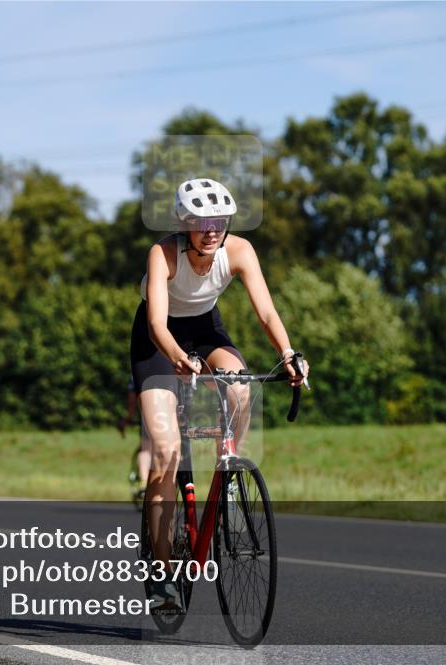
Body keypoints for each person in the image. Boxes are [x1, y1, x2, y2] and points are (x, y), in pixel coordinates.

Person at [130, 178, 308, 609]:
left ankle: (228, 477)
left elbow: (265, 309)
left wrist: (287, 353)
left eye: (220, 222)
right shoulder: (164, 254)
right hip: (158, 341)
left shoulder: (240, 252)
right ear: (184, 223)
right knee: (167, 453)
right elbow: (156, 324)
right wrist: (175, 357)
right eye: (202, 222)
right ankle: (161, 570)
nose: (212, 230)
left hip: (207, 330)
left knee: (241, 387)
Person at [119, 375, 151, 503]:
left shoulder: (136, 373)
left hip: (149, 414)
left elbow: (132, 398)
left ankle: (143, 482)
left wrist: (129, 417)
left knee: (146, 449)